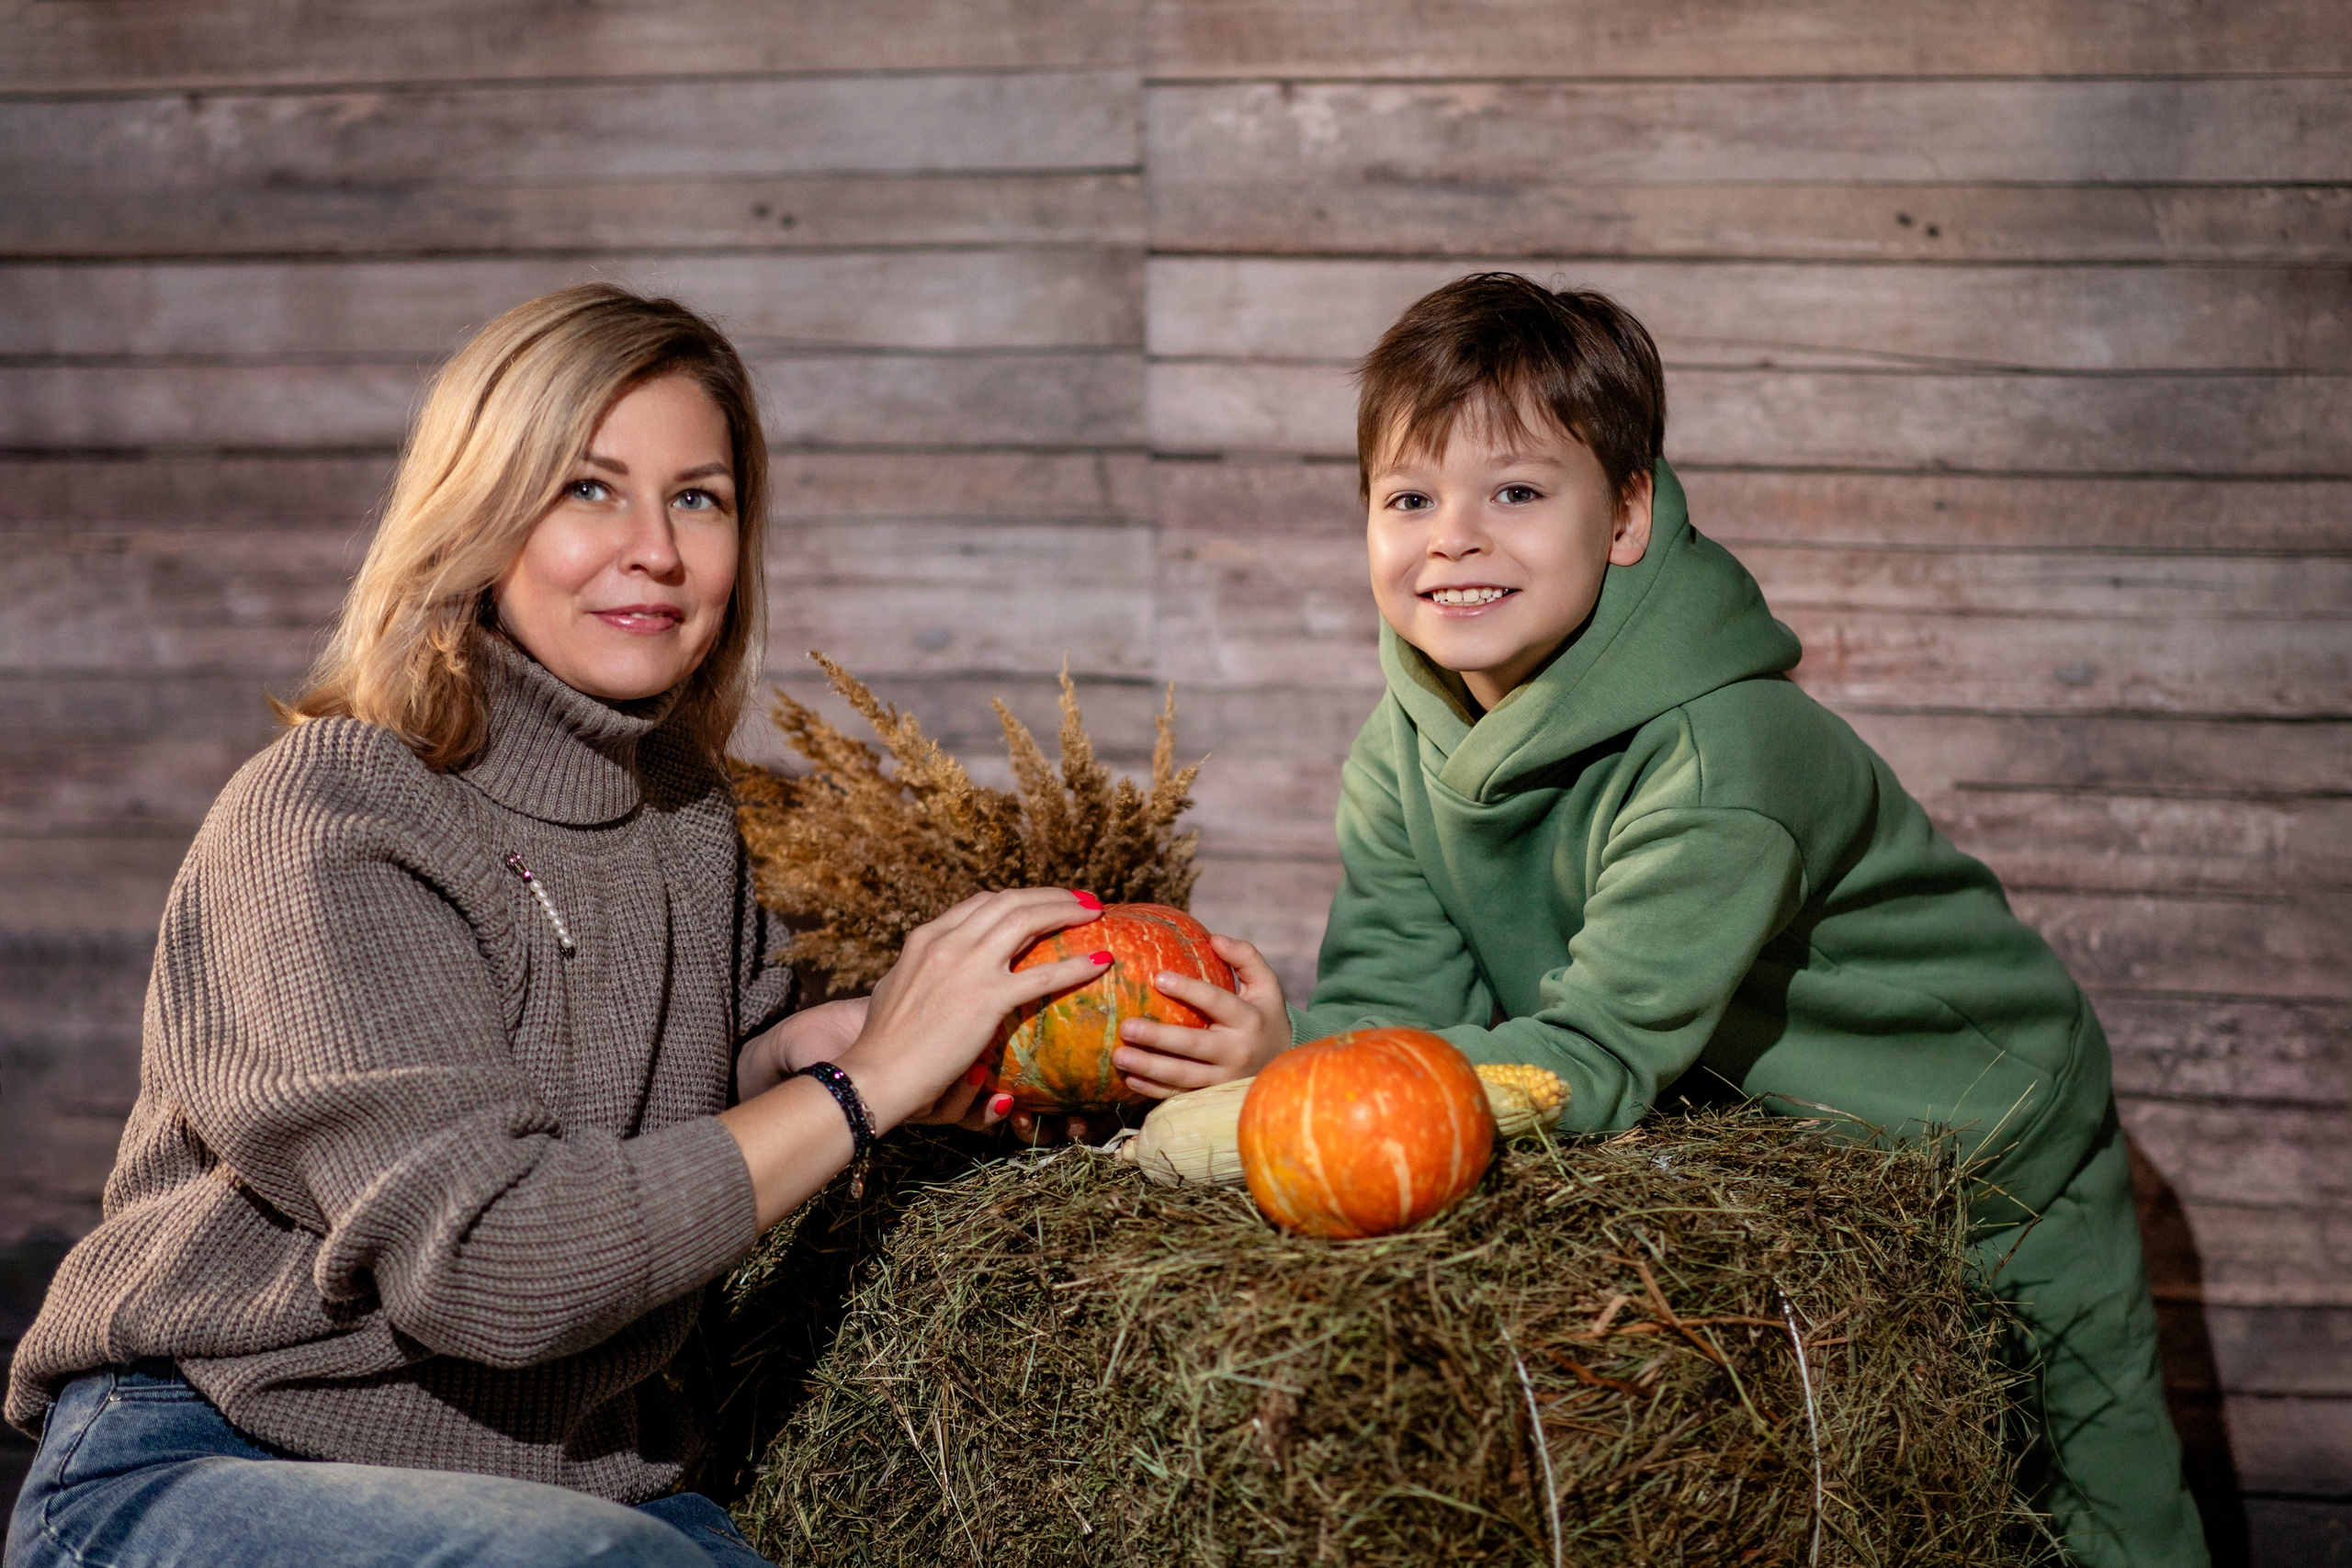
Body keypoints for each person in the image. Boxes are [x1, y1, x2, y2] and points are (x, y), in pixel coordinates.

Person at [4, 284, 1122, 1568]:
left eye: (697, 498)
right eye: (588, 489)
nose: (655, 547)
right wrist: (867, 1086)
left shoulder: (685, 814)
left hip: (586, 1492)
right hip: (212, 1463)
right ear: (480, 519)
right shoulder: (333, 810)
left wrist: (971, 1036)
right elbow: (494, 1260)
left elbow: (725, 1073)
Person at [1121, 272, 2208, 1568]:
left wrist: (1258, 1111)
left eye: (1516, 493)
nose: (1452, 538)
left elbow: (1596, 1061)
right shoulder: (1399, 749)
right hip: (1756, 1126)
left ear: (1627, 513)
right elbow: (1391, 1009)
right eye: (1409, 498)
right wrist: (1294, 1070)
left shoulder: (1723, 753)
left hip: (1973, 1121)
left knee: (2090, 1498)